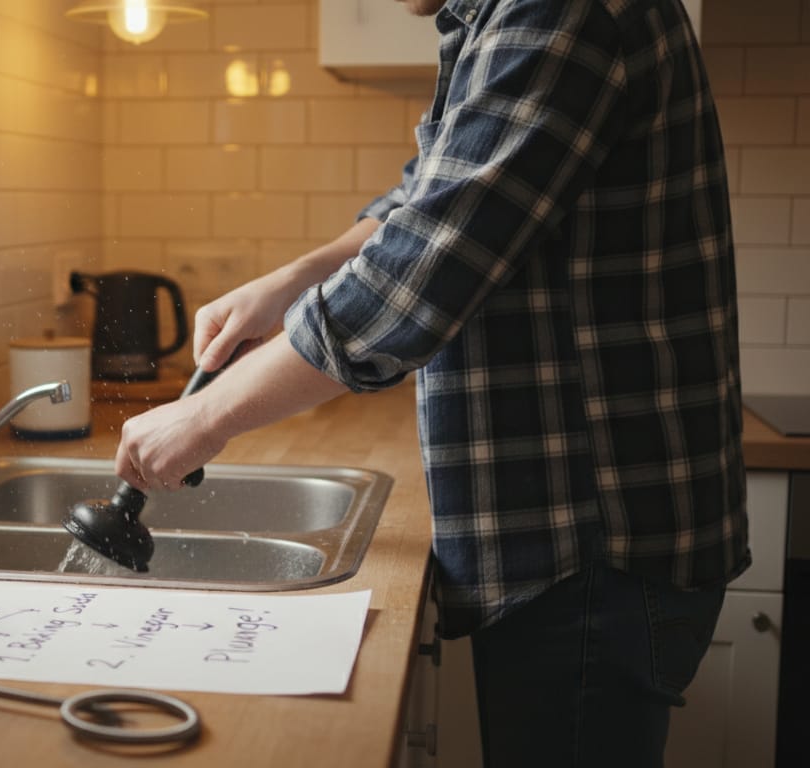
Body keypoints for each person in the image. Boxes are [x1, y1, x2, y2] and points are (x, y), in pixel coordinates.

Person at [113, 0, 751, 766]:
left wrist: (206, 417)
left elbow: (418, 278)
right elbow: (420, 202)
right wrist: (293, 278)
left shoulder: (556, 10)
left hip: (591, 536)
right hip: (574, 531)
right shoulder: (497, 20)